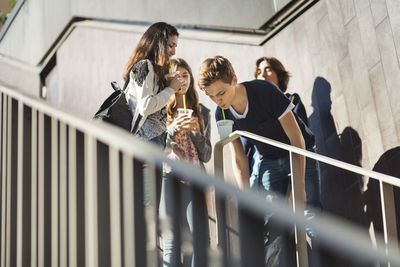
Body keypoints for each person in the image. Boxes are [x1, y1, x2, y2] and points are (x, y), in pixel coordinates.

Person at [198, 55, 313, 265]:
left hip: (298, 152)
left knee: (309, 214)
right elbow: (239, 159)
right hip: (269, 159)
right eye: (212, 96)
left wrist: (299, 186)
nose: (218, 100)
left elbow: (296, 139)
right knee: (273, 221)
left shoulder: (265, 91)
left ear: (234, 79)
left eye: (221, 93)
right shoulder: (221, 114)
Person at [159, 58, 211, 266]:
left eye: (186, 75)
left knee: (199, 240)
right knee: (172, 240)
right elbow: (155, 147)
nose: (182, 79)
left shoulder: (202, 112)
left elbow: (206, 155)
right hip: (167, 177)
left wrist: (197, 132)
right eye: (177, 75)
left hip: (195, 179)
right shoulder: (160, 111)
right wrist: (172, 130)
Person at [254, 57, 322, 211]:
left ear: (279, 75)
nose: (262, 74)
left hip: (294, 157)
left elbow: (299, 132)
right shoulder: (253, 109)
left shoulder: (292, 100)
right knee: (273, 220)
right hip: (267, 164)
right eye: (259, 71)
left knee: (310, 212)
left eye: (268, 69)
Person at [123, 22, 182, 143]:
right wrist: (171, 89)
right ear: (157, 44)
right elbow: (146, 106)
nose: (173, 52)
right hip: (145, 140)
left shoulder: (156, 71)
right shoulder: (145, 65)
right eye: (171, 46)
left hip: (157, 138)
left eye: (175, 47)